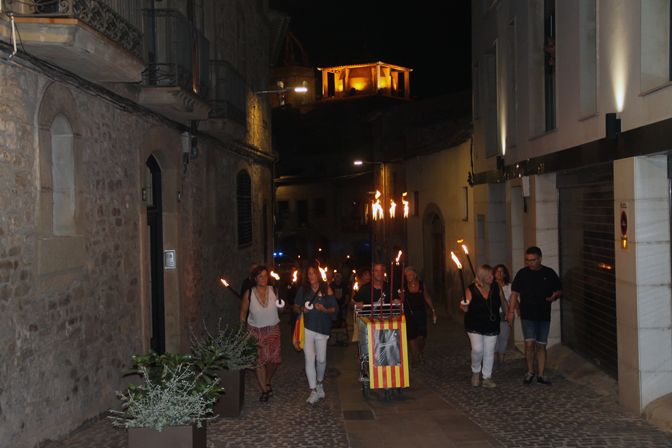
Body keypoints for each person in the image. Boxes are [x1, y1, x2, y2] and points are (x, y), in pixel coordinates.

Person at [506, 246, 562, 386]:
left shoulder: (549, 273)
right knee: (529, 344)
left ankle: (541, 374)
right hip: (528, 315)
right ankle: (530, 371)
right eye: (527, 260)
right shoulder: (522, 274)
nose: (530, 263)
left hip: (543, 315)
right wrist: (511, 312)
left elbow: (559, 290)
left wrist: (554, 296)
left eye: (533, 260)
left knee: (541, 345)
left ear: (540, 259)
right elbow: (514, 294)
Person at [292, 264, 338, 404]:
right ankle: (313, 391)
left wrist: (324, 309)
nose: (311, 276)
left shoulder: (326, 289)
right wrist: (301, 308)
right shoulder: (303, 289)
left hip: (322, 329)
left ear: (318, 274)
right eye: (309, 274)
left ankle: (319, 384)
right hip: (307, 328)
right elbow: (295, 307)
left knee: (321, 360)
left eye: (313, 273)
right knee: (309, 358)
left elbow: (335, 309)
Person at [239, 265, 283, 402]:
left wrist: (281, 307)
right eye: (260, 276)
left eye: (265, 275)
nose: (264, 279)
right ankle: (264, 389)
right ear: (255, 279)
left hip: (273, 329)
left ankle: (267, 380)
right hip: (255, 330)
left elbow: (280, 310)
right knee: (260, 361)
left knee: (274, 361)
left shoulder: (274, 290)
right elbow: (243, 314)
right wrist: (242, 331)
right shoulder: (249, 293)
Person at [460, 264, 502, 388]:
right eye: (489, 275)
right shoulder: (471, 289)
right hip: (475, 324)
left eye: (492, 274)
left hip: (492, 323)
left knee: (489, 351)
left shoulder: (495, 286)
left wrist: (508, 312)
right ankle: (475, 372)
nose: (492, 276)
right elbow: (463, 304)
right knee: (478, 349)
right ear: (482, 276)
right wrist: (464, 306)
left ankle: (487, 377)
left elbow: (502, 300)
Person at [400, 266, 436, 365]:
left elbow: (427, 297)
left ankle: (420, 351)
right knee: (412, 336)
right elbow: (401, 300)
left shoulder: (421, 284)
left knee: (421, 337)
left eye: (411, 274)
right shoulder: (403, 286)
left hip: (420, 313)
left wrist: (433, 310)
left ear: (415, 275)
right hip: (409, 314)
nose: (409, 276)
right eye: (407, 275)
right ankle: (415, 358)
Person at [493, 264, 513, 365]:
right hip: (494, 316)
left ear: (505, 274)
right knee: (494, 339)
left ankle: (501, 359)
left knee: (503, 338)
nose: (499, 273)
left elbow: (512, 301)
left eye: (501, 271)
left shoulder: (509, 287)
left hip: (504, 315)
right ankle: (495, 359)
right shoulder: (491, 286)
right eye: (497, 271)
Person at [330, 271, 350, 346]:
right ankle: (333, 339)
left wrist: (344, 305)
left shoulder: (344, 285)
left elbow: (347, 296)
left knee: (343, 323)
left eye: (339, 276)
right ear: (334, 278)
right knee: (333, 323)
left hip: (342, 306)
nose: (338, 278)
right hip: (333, 307)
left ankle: (342, 339)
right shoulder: (331, 285)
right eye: (336, 276)